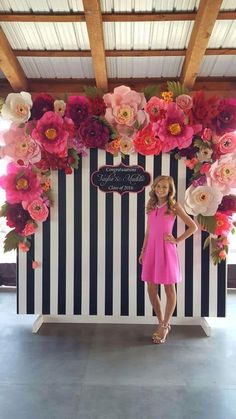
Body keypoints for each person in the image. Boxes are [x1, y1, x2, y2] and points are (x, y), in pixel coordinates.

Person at [139, 175, 197, 344]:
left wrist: (177, 240)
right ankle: (161, 322)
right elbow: (148, 232)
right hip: (150, 250)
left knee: (169, 289)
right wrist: (143, 250)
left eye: (165, 187)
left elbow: (192, 227)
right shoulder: (151, 207)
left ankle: (165, 325)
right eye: (158, 186)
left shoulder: (174, 206)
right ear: (154, 188)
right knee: (151, 289)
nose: (161, 189)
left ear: (170, 190)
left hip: (166, 250)